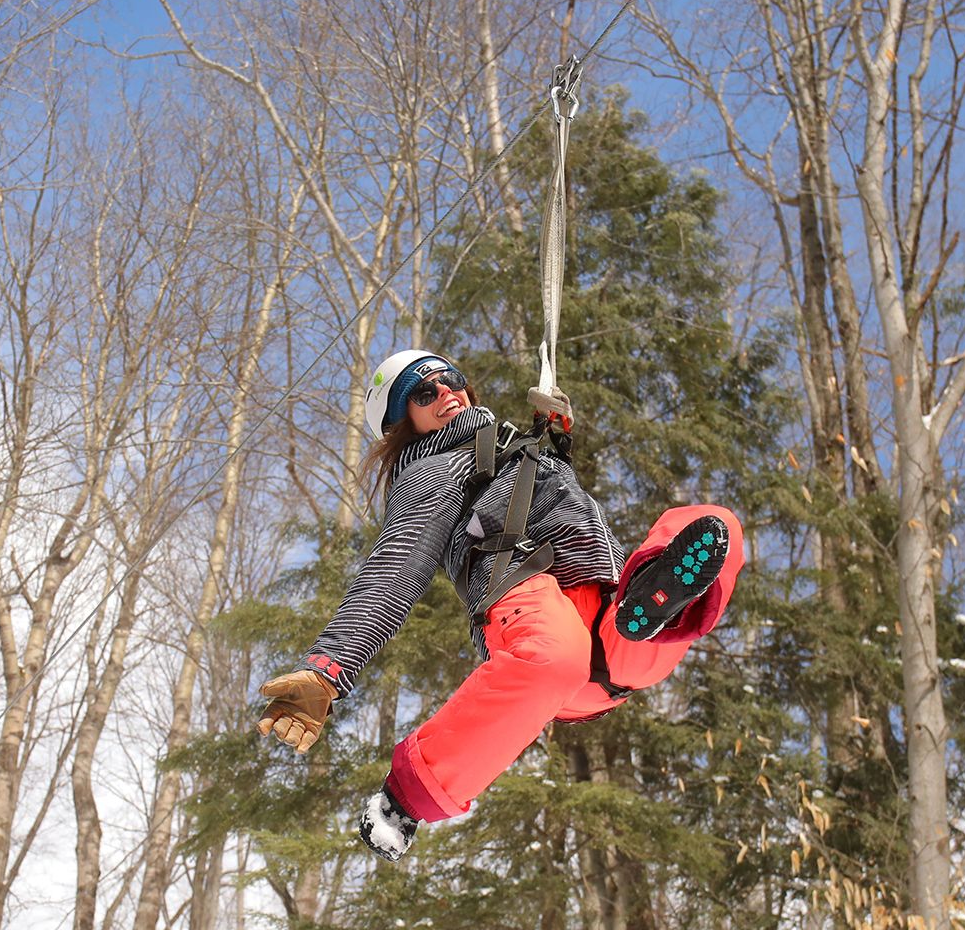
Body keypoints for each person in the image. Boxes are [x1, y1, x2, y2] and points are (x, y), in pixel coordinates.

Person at [258, 350, 744, 857]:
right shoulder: (432, 469)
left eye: (453, 381)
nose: (447, 393)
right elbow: (397, 565)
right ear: (402, 420)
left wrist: (552, 446)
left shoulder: (509, 447)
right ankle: (402, 800)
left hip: (606, 621)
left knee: (714, 522)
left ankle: (653, 600)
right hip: (527, 594)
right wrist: (327, 669)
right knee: (556, 658)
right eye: (424, 393)